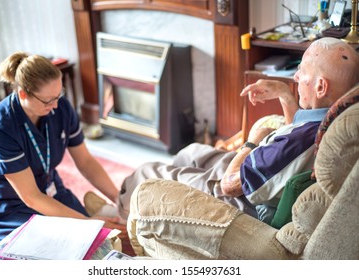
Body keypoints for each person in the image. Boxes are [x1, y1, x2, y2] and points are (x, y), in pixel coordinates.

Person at [89, 37, 359, 223]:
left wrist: (251, 142)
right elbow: (294, 133)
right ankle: (147, 207)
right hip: (257, 171)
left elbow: (231, 186)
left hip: (242, 198)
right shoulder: (334, 117)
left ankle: (120, 213)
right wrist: (284, 95)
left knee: (147, 172)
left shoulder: (298, 143)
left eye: (301, 71)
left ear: (321, 87)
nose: (296, 77)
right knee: (190, 153)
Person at [0, 51, 125, 243]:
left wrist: (119, 200)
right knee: (58, 243)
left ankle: (100, 210)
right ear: (23, 93)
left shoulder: (61, 107)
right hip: (4, 201)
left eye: (58, 95)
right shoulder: (0, 127)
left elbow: (85, 161)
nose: (55, 105)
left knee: (90, 237)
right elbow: (31, 197)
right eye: (48, 100)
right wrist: (88, 223)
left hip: (47, 185)